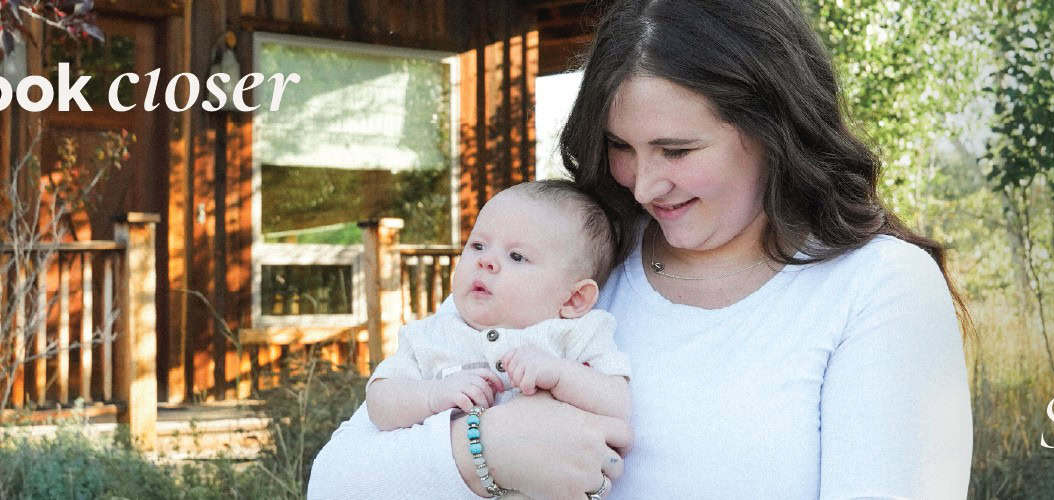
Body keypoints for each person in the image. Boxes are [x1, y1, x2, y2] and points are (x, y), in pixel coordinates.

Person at [308, 0, 971, 497]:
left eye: (677, 151)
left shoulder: (878, 287)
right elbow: (334, 481)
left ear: (774, 128)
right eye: (622, 148)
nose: (645, 184)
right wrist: (482, 451)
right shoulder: (575, 266)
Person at [360, 180, 631, 436]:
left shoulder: (577, 334)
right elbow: (379, 403)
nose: (486, 260)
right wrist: (432, 395)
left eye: (516, 256)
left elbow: (618, 404)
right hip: (454, 479)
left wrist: (560, 375)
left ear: (574, 299)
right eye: (478, 245)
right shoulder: (429, 336)